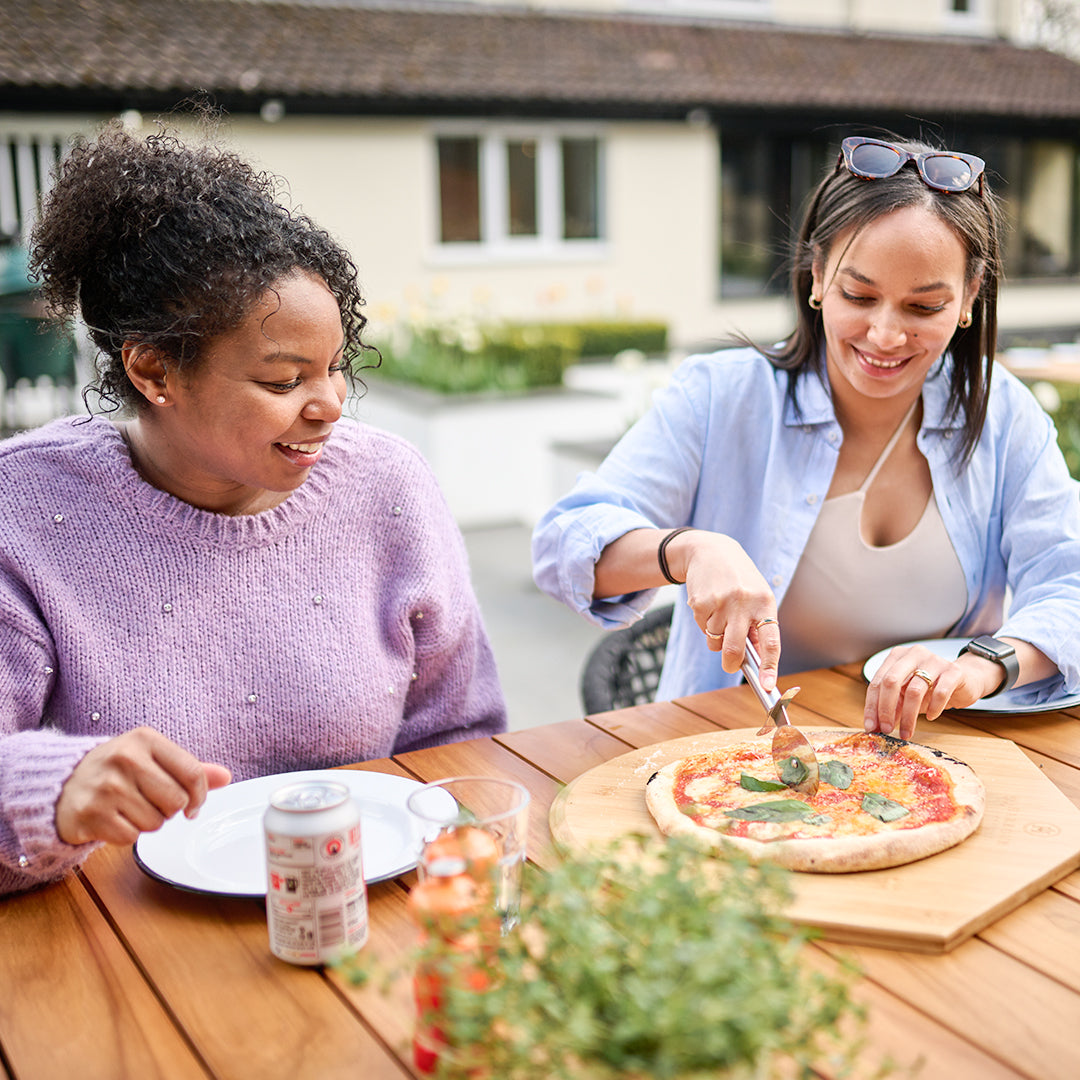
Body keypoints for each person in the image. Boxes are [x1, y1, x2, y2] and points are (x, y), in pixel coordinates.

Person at [0, 121, 506, 896]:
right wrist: (52, 791)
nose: (331, 404)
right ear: (153, 370)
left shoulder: (388, 486)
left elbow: (460, 741)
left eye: (336, 368)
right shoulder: (25, 511)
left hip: (373, 916)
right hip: (117, 949)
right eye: (283, 381)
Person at [534, 134, 1080, 742]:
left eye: (923, 308)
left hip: (939, 754)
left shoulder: (1002, 413)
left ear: (969, 300)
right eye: (858, 295)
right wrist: (688, 550)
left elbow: (1071, 579)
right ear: (817, 276)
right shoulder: (721, 396)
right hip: (730, 757)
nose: (885, 334)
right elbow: (562, 548)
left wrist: (986, 665)